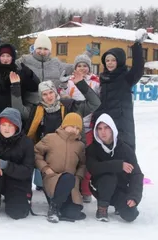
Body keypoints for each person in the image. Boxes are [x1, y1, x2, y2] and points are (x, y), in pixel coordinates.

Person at [11, 75, 100, 190]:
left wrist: (81, 84)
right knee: (44, 184)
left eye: (51, 92)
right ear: (40, 97)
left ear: (55, 92)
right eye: (44, 94)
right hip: (44, 155)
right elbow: (18, 110)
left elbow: (95, 103)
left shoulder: (70, 107)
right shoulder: (35, 110)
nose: (49, 97)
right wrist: (15, 86)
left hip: (66, 154)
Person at [92, 29, 148, 151]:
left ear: (120, 61)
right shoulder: (103, 79)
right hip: (105, 125)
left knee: (124, 156)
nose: (110, 63)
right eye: (107, 60)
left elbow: (138, 68)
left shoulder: (126, 78)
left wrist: (137, 45)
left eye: (113, 60)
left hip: (122, 125)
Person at [86, 113, 143, 222]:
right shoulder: (92, 148)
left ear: (112, 129)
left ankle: (119, 204)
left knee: (131, 215)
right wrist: (118, 165)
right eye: (99, 128)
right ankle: (102, 208)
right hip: (99, 188)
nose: (103, 131)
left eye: (106, 128)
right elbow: (93, 168)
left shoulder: (125, 149)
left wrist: (134, 196)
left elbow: (137, 174)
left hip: (119, 188)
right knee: (109, 177)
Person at [34, 113, 87, 223]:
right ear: (64, 125)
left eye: (78, 128)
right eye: (72, 126)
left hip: (71, 184)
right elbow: (36, 153)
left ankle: (60, 207)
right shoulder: (50, 138)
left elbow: (82, 164)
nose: (75, 130)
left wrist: (78, 177)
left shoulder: (80, 145)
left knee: (74, 213)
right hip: (52, 179)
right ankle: (54, 208)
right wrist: (45, 168)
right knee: (67, 178)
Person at [63, 51, 100, 203]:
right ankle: (72, 188)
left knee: (86, 160)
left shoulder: (95, 83)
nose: (82, 68)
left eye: (85, 65)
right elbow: (64, 98)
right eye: (79, 65)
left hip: (89, 127)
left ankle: (85, 189)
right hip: (73, 127)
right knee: (72, 159)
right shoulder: (70, 82)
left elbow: (98, 101)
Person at [0, 43, 39, 123]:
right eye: (2, 56)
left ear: (12, 57)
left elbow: (34, 87)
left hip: (13, 120)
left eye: (8, 56)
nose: (5, 59)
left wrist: (30, 74)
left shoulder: (18, 74)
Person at [15, 33, 74, 105]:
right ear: (35, 48)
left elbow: (78, 66)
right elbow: (9, 64)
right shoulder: (25, 60)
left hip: (52, 104)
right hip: (30, 105)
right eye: (39, 48)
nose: (42, 52)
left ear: (50, 50)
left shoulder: (56, 62)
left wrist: (87, 55)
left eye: (45, 49)